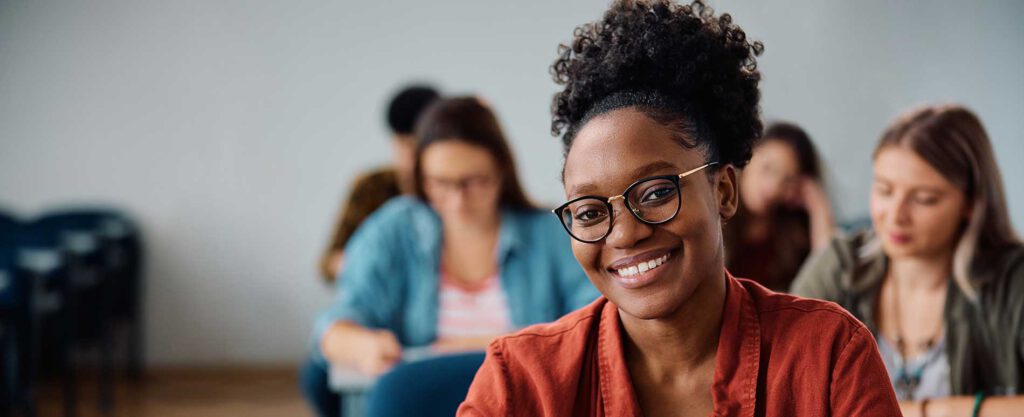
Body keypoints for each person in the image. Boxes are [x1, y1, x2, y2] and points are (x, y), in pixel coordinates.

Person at [458, 1, 900, 416]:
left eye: (655, 193)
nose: (625, 235)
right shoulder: (519, 382)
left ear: (724, 190)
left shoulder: (827, 357)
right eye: (591, 212)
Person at [301, 96, 599, 417]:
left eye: (473, 182)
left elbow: (596, 322)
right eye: (440, 184)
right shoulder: (393, 228)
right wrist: (364, 345)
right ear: (421, 178)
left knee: (398, 391)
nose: (457, 202)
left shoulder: (548, 233)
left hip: (526, 400)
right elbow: (339, 320)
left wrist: (463, 349)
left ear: (501, 171)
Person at [792, 104, 1024, 417]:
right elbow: (780, 379)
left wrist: (930, 412)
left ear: (971, 202)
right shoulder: (839, 266)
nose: (896, 216)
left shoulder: (1013, 280)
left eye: (924, 199)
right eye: (885, 191)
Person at [318, 84, 439, 282]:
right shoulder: (372, 186)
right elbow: (328, 264)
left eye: (418, 147)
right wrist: (367, 263)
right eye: (403, 145)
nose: (411, 159)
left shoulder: (450, 192)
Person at [724, 121, 835, 291]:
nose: (772, 187)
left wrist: (818, 207)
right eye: (767, 168)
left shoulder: (791, 237)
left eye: (787, 180)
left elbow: (829, 280)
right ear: (747, 157)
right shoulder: (715, 214)